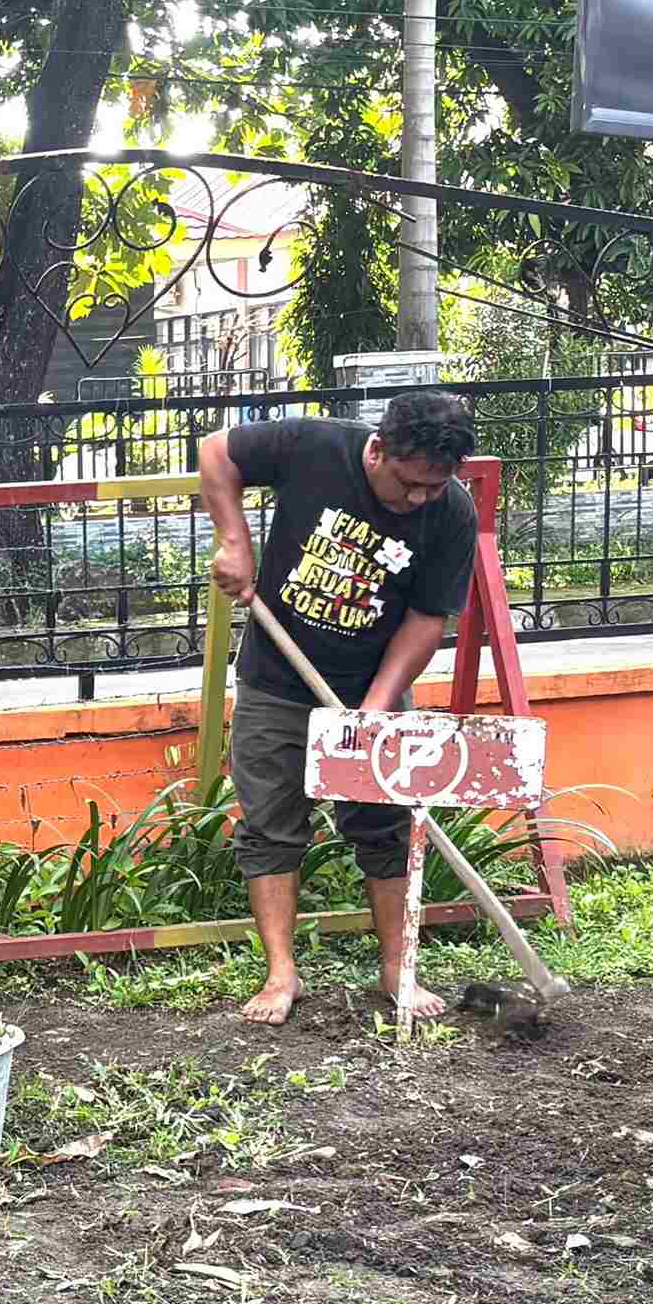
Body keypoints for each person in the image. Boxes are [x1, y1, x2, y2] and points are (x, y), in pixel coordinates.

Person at [197, 388, 482, 1026]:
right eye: (409, 484)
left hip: (369, 686)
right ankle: (281, 973)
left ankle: (397, 969)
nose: (420, 500)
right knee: (271, 826)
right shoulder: (314, 446)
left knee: (385, 828)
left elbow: (427, 620)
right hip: (277, 681)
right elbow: (217, 451)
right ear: (377, 451)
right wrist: (235, 540)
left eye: (434, 487)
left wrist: (375, 708)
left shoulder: (451, 513)